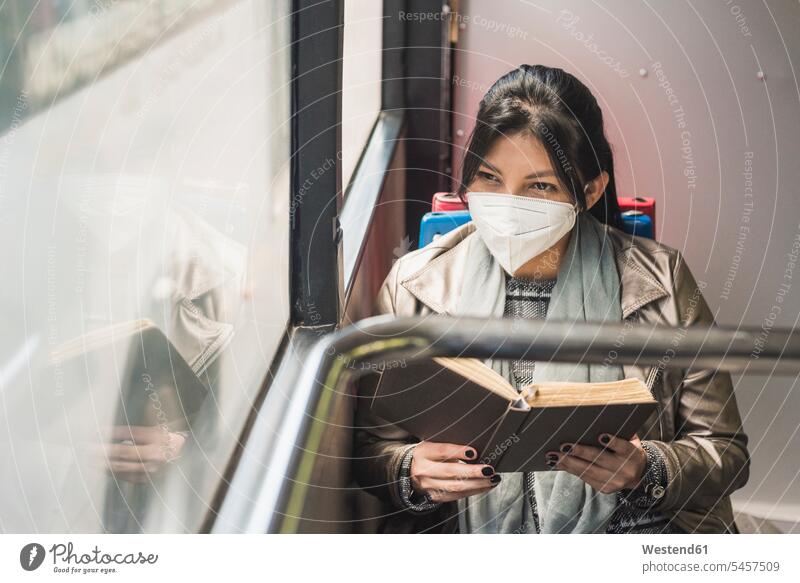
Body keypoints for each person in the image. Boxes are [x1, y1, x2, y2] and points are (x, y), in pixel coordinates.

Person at [353, 64, 750, 534]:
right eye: (489, 177)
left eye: (540, 186)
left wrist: (648, 469)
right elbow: (370, 449)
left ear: (589, 190)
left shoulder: (662, 281)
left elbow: (725, 450)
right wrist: (411, 471)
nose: (508, 202)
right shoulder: (413, 286)